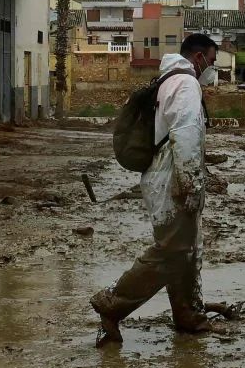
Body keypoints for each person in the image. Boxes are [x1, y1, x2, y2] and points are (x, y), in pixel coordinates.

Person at [91, 32, 220, 345]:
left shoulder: (167, 80)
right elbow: (186, 137)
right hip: (172, 180)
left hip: (161, 176)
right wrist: (190, 186)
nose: (213, 69)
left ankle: (188, 315)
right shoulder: (187, 84)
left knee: (184, 249)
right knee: (173, 250)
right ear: (199, 56)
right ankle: (114, 303)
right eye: (212, 61)